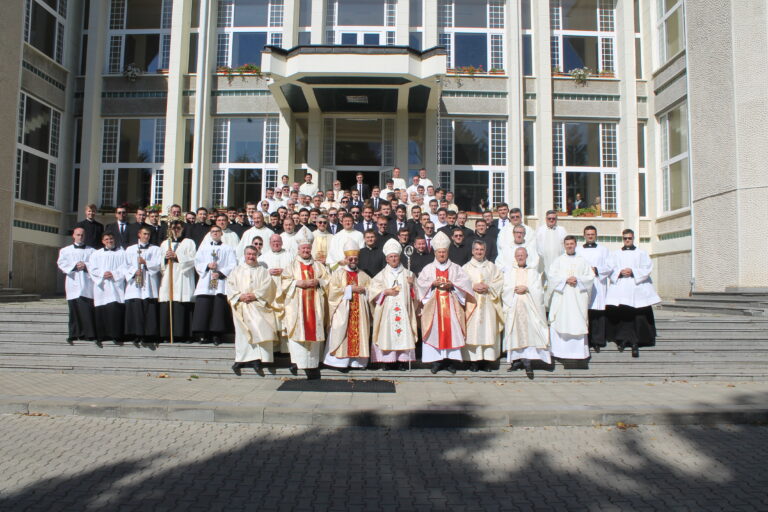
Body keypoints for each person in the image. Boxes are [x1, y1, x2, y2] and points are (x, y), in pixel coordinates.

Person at [416, 232, 475, 373]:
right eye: (439, 252)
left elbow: (465, 283)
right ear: (435, 253)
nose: (441, 254)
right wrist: (431, 283)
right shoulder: (428, 269)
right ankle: (436, 362)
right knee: (434, 332)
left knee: (452, 332)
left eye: (444, 252)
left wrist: (453, 285)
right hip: (433, 307)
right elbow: (420, 285)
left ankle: (450, 362)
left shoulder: (455, 268)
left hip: (451, 305)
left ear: (447, 252)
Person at [605, 229, 661, 358]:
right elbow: (609, 268)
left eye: (629, 238)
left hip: (637, 287)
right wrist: (619, 271)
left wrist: (633, 271)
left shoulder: (641, 253)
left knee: (638, 314)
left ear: (633, 238)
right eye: (625, 238)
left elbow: (647, 268)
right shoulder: (615, 254)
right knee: (622, 315)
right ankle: (622, 339)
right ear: (622, 239)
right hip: (621, 286)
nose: (627, 240)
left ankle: (638, 340)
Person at [282, 231, 329, 378]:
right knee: (298, 333)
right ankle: (297, 363)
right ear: (298, 249)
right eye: (303, 249)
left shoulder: (319, 266)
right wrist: (298, 282)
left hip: (314, 307)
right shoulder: (291, 265)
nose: (306, 251)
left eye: (308, 249)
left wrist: (318, 282)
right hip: (297, 306)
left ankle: (313, 365)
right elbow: (283, 282)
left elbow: (328, 281)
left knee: (313, 332)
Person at [227, 245, 278, 375]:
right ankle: (241, 359)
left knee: (258, 330)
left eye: (253, 254)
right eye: (248, 254)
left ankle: (257, 360)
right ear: (244, 255)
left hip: (257, 305)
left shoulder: (262, 271)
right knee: (243, 334)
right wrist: (239, 296)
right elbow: (230, 286)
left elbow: (269, 287)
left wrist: (256, 295)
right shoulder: (237, 271)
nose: (251, 257)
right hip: (242, 306)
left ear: (257, 255)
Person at [369, 238, 418, 369]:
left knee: (403, 333)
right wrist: (384, 292)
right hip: (387, 312)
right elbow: (373, 291)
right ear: (387, 259)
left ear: (399, 257)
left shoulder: (409, 274)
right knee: (387, 334)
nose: (394, 259)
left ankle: (402, 361)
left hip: (404, 311)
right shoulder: (381, 275)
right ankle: (388, 361)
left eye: (396, 256)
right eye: (391, 257)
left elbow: (416, 295)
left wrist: (412, 285)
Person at [323, 240, 372, 370]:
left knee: (359, 334)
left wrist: (365, 291)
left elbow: (371, 290)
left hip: (359, 312)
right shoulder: (338, 274)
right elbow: (332, 292)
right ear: (346, 259)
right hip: (342, 312)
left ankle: (356, 363)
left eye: (355, 259)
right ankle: (340, 363)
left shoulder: (363, 275)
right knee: (342, 334)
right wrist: (350, 289)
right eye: (350, 259)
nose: (353, 261)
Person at [502, 247, 551, 378]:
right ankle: (516, 360)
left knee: (530, 333)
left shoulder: (533, 272)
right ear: (515, 256)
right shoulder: (510, 272)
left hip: (530, 307)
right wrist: (513, 288)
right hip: (514, 307)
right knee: (515, 333)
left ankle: (528, 361)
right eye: (518, 255)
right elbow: (505, 288)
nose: (520, 257)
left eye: (522, 255)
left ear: (526, 256)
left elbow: (538, 289)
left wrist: (527, 288)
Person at [547, 236, 594, 360]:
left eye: (571, 244)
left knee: (577, 322)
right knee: (561, 321)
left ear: (575, 245)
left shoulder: (582, 261)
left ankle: (578, 353)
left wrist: (578, 279)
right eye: (567, 244)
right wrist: (565, 280)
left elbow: (590, 277)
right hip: (563, 298)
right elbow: (551, 277)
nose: (569, 246)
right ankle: (559, 352)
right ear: (564, 245)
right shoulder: (558, 261)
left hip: (577, 298)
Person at [461, 240, 504, 371]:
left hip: (488, 305)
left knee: (487, 330)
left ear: (485, 251)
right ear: (472, 251)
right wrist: (472, 286)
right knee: (473, 332)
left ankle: (486, 361)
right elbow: (461, 284)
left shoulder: (491, 267)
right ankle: (473, 361)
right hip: (472, 305)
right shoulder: (466, 268)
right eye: (477, 250)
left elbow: (500, 281)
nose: (479, 252)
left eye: (481, 250)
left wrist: (489, 287)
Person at [191, 226, 236, 345]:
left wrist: (221, 273)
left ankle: (217, 335)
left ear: (221, 234)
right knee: (204, 308)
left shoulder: (228, 248)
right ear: (210, 234)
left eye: (217, 231)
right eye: (213, 232)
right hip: (206, 282)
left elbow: (233, 264)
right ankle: (203, 334)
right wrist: (207, 265)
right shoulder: (204, 248)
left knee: (218, 309)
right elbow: (197, 262)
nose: (215, 233)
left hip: (220, 282)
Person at [158, 220, 197, 343]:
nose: (176, 230)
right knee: (168, 301)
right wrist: (165, 258)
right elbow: (159, 262)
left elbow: (193, 259)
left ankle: (184, 334)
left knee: (182, 303)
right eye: (173, 228)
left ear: (183, 229)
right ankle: (167, 334)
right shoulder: (165, 243)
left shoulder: (189, 242)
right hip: (169, 275)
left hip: (183, 277)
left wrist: (177, 257)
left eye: (178, 228)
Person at [57, 227, 97, 343]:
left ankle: (88, 333)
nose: (80, 237)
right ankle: (74, 333)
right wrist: (74, 265)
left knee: (87, 310)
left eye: (82, 235)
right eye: (78, 235)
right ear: (73, 236)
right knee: (73, 310)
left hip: (86, 283)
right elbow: (61, 263)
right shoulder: (65, 250)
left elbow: (95, 265)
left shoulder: (92, 251)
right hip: (73, 283)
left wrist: (86, 265)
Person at [576, 225, 612, 352]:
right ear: (584, 235)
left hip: (598, 283)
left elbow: (609, 266)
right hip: (584, 284)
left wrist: (596, 270)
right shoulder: (578, 250)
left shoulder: (603, 250)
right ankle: (587, 340)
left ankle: (598, 341)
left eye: (592, 234)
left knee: (598, 312)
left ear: (596, 235)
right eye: (588, 234)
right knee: (585, 312)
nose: (590, 236)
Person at [123, 227, 162, 344]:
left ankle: (149, 334)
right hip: (135, 285)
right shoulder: (130, 249)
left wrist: (146, 263)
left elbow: (158, 265)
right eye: (144, 234)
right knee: (136, 309)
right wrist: (134, 271)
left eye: (148, 234)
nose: (146, 236)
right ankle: (136, 334)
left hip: (149, 284)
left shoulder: (156, 249)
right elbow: (124, 266)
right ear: (139, 234)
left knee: (148, 308)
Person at [88, 233, 126, 344]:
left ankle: (116, 335)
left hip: (116, 286)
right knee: (102, 311)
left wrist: (114, 273)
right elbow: (91, 268)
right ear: (103, 241)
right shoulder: (96, 254)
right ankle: (102, 335)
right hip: (102, 287)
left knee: (115, 310)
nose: (109, 241)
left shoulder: (122, 253)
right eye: (107, 239)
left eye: (111, 238)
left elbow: (125, 267)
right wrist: (102, 274)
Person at [260, 234, 294, 353]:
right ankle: (273, 349)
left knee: (285, 321)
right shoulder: (263, 258)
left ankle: (286, 349)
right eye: (273, 241)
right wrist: (268, 272)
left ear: (282, 242)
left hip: (285, 295)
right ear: (269, 243)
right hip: (270, 295)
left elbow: (295, 271)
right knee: (272, 321)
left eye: (278, 241)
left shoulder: (290, 256)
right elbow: (259, 274)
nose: (276, 243)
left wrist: (284, 272)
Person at [535, 209, 567, 299]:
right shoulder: (540, 230)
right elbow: (536, 247)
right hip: (544, 263)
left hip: (558, 263)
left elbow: (566, 246)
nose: (551, 220)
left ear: (556, 219)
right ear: (546, 219)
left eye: (554, 218)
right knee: (545, 289)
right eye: (549, 218)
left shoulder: (562, 230)